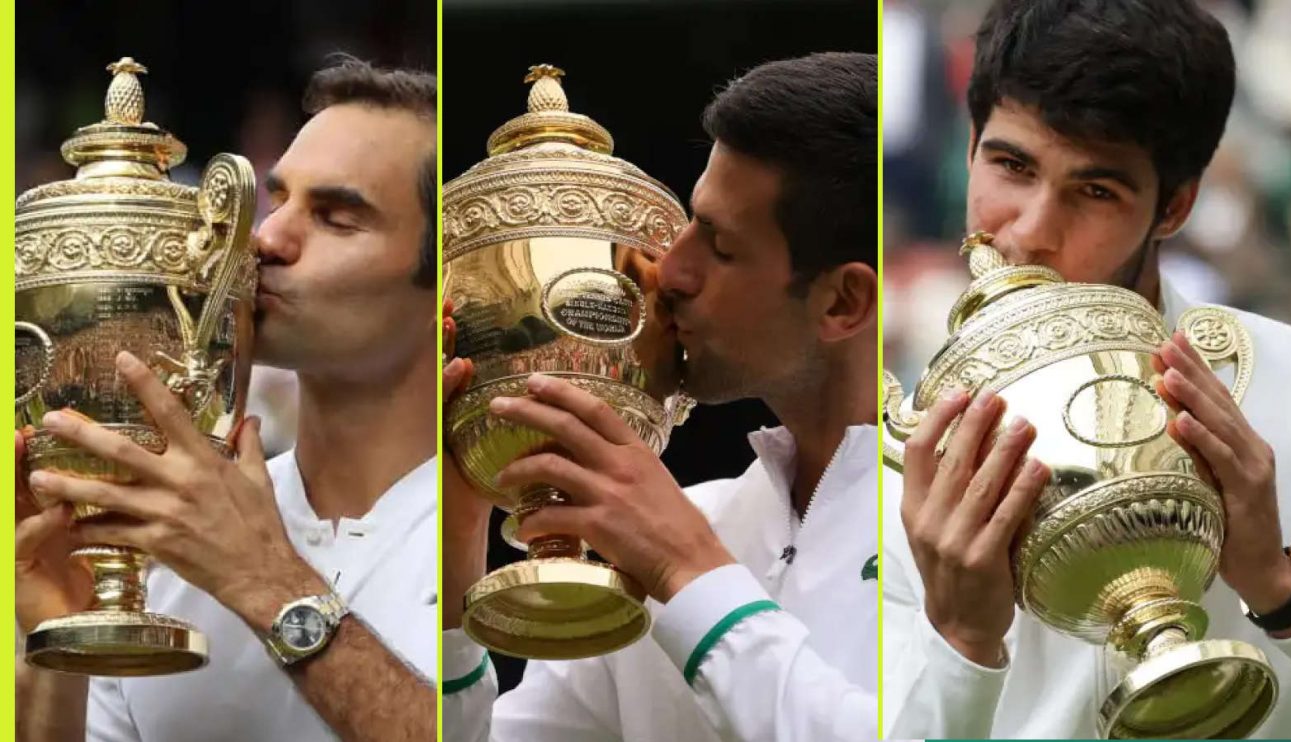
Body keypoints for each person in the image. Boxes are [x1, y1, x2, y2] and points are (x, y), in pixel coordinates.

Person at [882, 1, 1291, 738]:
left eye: (1095, 192)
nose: (1031, 232)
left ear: (1174, 208)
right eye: (1011, 166)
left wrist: (1283, 594)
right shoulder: (902, 454)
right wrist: (962, 643)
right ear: (970, 148)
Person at [442, 52, 880, 741]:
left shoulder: (970, 521)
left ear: (843, 303)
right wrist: (457, 528)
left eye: (721, 246)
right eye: (690, 223)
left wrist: (691, 575)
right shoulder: (683, 525)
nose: (667, 271)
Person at [15, 57, 439, 742]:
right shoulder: (165, 527)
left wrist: (266, 581)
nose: (267, 239)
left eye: (335, 218)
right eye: (278, 201)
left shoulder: (505, 539)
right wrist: (59, 645)